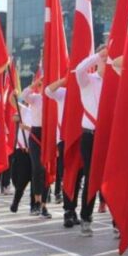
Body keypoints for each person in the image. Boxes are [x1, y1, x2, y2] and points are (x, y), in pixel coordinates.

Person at [73, 47, 107, 237]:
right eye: (103, 58)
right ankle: (86, 217)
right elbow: (78, 70)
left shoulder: (114, 82)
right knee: (91, 177)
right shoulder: (88, 81)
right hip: (90, 135)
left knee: (111, 176)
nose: (106, 60)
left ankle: (119, 222)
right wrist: (97, 55)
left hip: (107, 135)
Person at [45, 77, 81, 228]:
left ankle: (73, 209)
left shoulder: (82, 92)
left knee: (78, 177)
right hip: (64, 139)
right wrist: (63, 81)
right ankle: (68, 211)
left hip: (79, 138)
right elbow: (47, 91)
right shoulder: (63, 93)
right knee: (67, 176)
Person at [21, 76, 52, 219]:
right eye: (41, 84)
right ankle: (37, 202)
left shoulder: (52, 98)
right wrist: (34, 83)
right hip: (35, 135)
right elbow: (23, 95)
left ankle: (44, 204)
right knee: (37, 168)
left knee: (47, 170)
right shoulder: (35, 98)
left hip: (49, 134)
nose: (42, 85)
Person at [10, 99, 35, 214]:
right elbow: (14, 113)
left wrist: (28, 128)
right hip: (20, 149)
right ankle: (17, 200)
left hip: (33, 149)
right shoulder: (26, 111)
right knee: (16, 177)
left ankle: (32, 205)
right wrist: (13, 93)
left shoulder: (41, 113)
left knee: (31, 179)